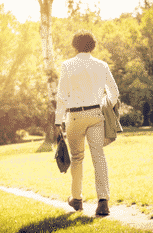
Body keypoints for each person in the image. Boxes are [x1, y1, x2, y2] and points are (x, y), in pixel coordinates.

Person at [54, 30, 119, 215]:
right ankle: (103, 202)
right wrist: (105, 107)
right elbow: (114, 93)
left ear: (75, 45)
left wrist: (58, 122)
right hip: (96, 115)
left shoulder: (67, 65)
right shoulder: (102, 65)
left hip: (74, 116)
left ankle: (77, 199)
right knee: (98, 157)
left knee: (77, 158)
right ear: (93, 45)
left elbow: (62, 97)